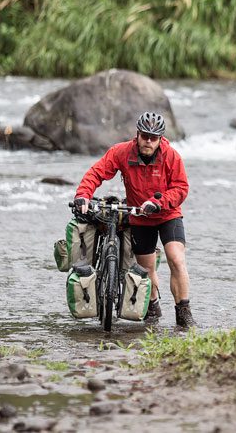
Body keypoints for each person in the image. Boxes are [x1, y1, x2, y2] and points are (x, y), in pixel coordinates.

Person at [73, 111, 196, 328]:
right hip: (139, 217)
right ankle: (153, 307)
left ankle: (183, 312)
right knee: (146, 270)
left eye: (154, 137)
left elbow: (181, 188)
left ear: (160, 139)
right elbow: (97, 172)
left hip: (168, 214)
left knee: (176, 259)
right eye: (145, 136)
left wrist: (158, 203)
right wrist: (83, 195)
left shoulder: (171, 156)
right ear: (137, 135)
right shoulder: (121, 152)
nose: (148, 141)